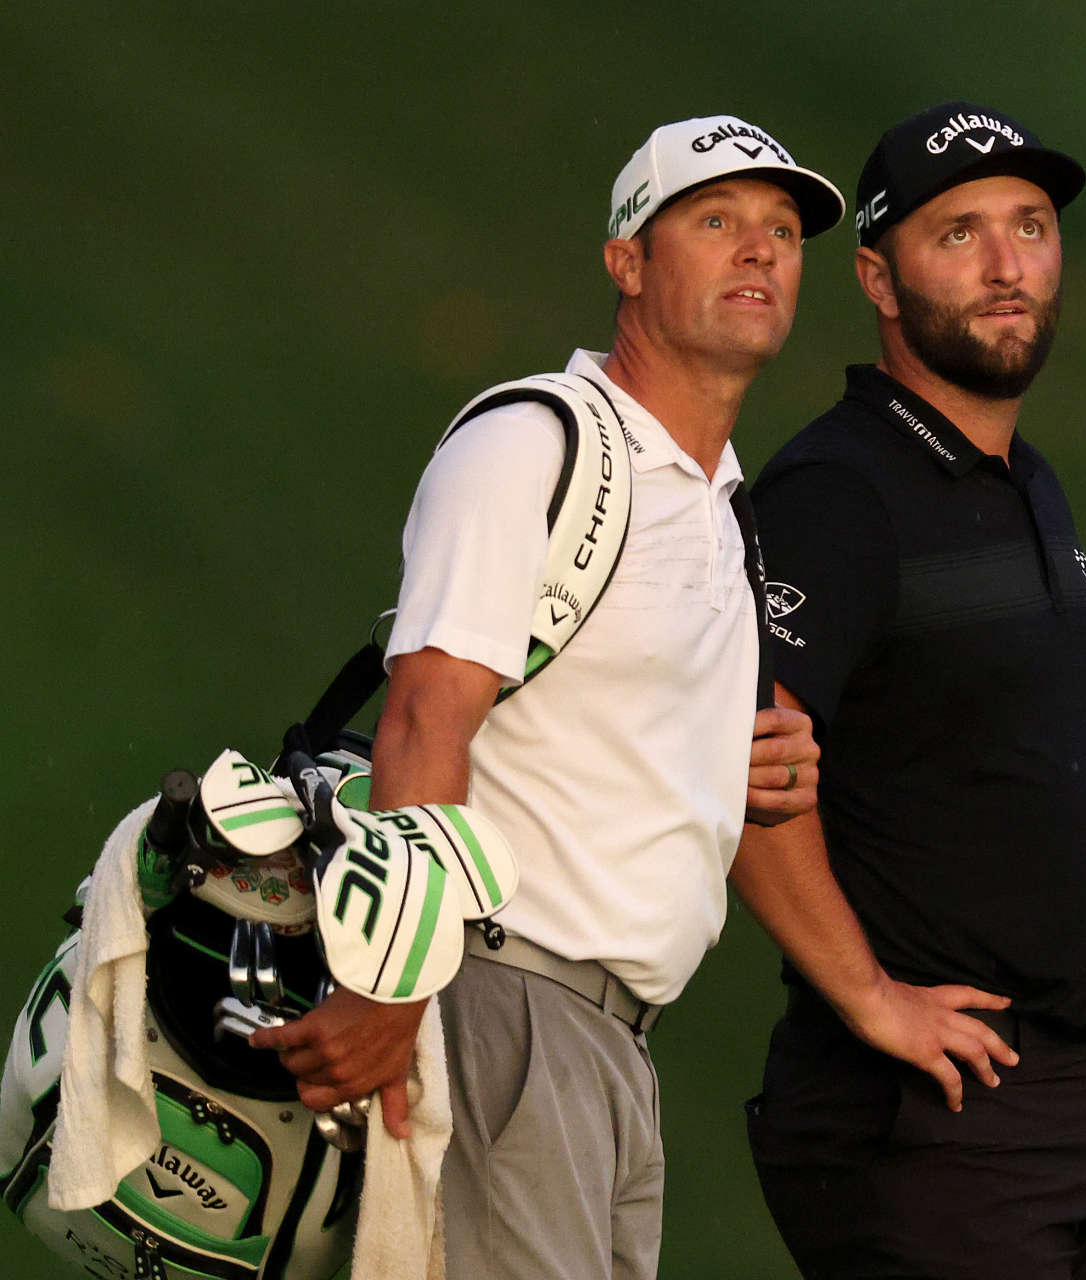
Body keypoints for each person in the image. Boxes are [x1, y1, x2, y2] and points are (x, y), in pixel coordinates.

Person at [250, 113, 843, 1280]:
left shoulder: (721, 509)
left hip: (611, 1047)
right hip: (498, 1000)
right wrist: (395, 983)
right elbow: (426, 715)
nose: (760, 251)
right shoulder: (535, 441)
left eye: (781, 231)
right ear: (627, 261)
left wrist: (732, 764)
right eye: (715, 221)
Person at [729, 100, 1086, 1280]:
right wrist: (869, 996)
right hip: (942, 1124)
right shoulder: (838, 491)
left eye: (1030, 227)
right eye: (959, 233)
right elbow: (738, 763)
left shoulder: (1026, 480)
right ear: (878, 278)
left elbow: (1042, 751)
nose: (1006, 265)